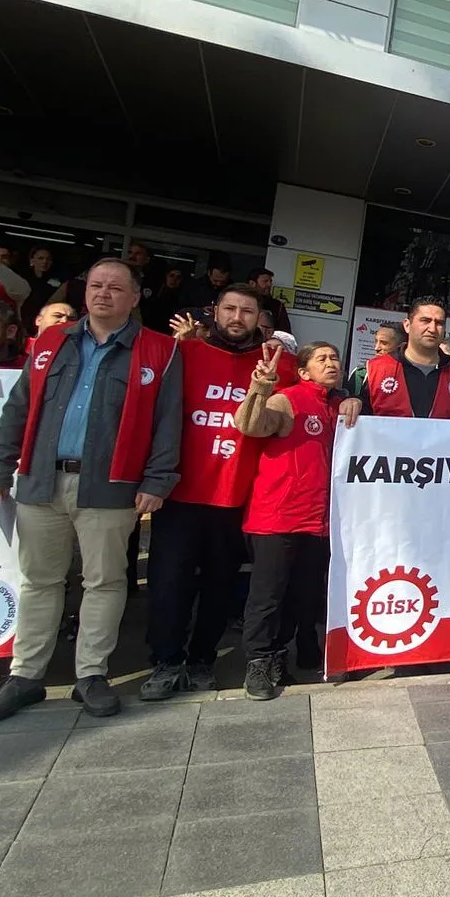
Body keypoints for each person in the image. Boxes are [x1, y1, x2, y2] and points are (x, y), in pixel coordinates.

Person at [0, 258, 183, 723]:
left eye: (114, 287)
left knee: (104, 582)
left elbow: (168, 423)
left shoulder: (160, 351)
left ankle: (91, 675)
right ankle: (25, 676)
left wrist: (157, 480)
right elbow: (19, 408)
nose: (102, 294)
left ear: (134, 298)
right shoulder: (51, 341)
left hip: (110, 485)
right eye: (95, 285)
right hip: (41, 481)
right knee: (39, 581)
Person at [139, 289, 296, 700]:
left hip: (239, 496)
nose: (237, 316)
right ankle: (166, 662)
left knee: (220, 585)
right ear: (215, 312)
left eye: (247, 310)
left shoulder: (281, 364)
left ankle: (202, 660)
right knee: (168, 582)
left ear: (260, 318)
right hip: (181, 491)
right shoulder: (185, 354)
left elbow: (311, 401)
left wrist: (348, 397)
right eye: (230, 308)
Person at [233, 341, 342, 698]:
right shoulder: (287, 400)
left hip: (317, 523)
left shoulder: (339, 406)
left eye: (335, 358)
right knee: (267, 597)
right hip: (276, 519)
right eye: (322, 359)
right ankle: (258, 664)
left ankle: (279, 656)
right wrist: (260, 387)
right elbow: (249, 424)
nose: (331, 363)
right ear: (303, 370)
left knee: (301, 598)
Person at [360, 297, 450, 419]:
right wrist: (350, 401)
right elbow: (360, 422)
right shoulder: (377, 369)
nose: (432, 329)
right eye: (425, 321)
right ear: (407, 325)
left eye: (439, 323)